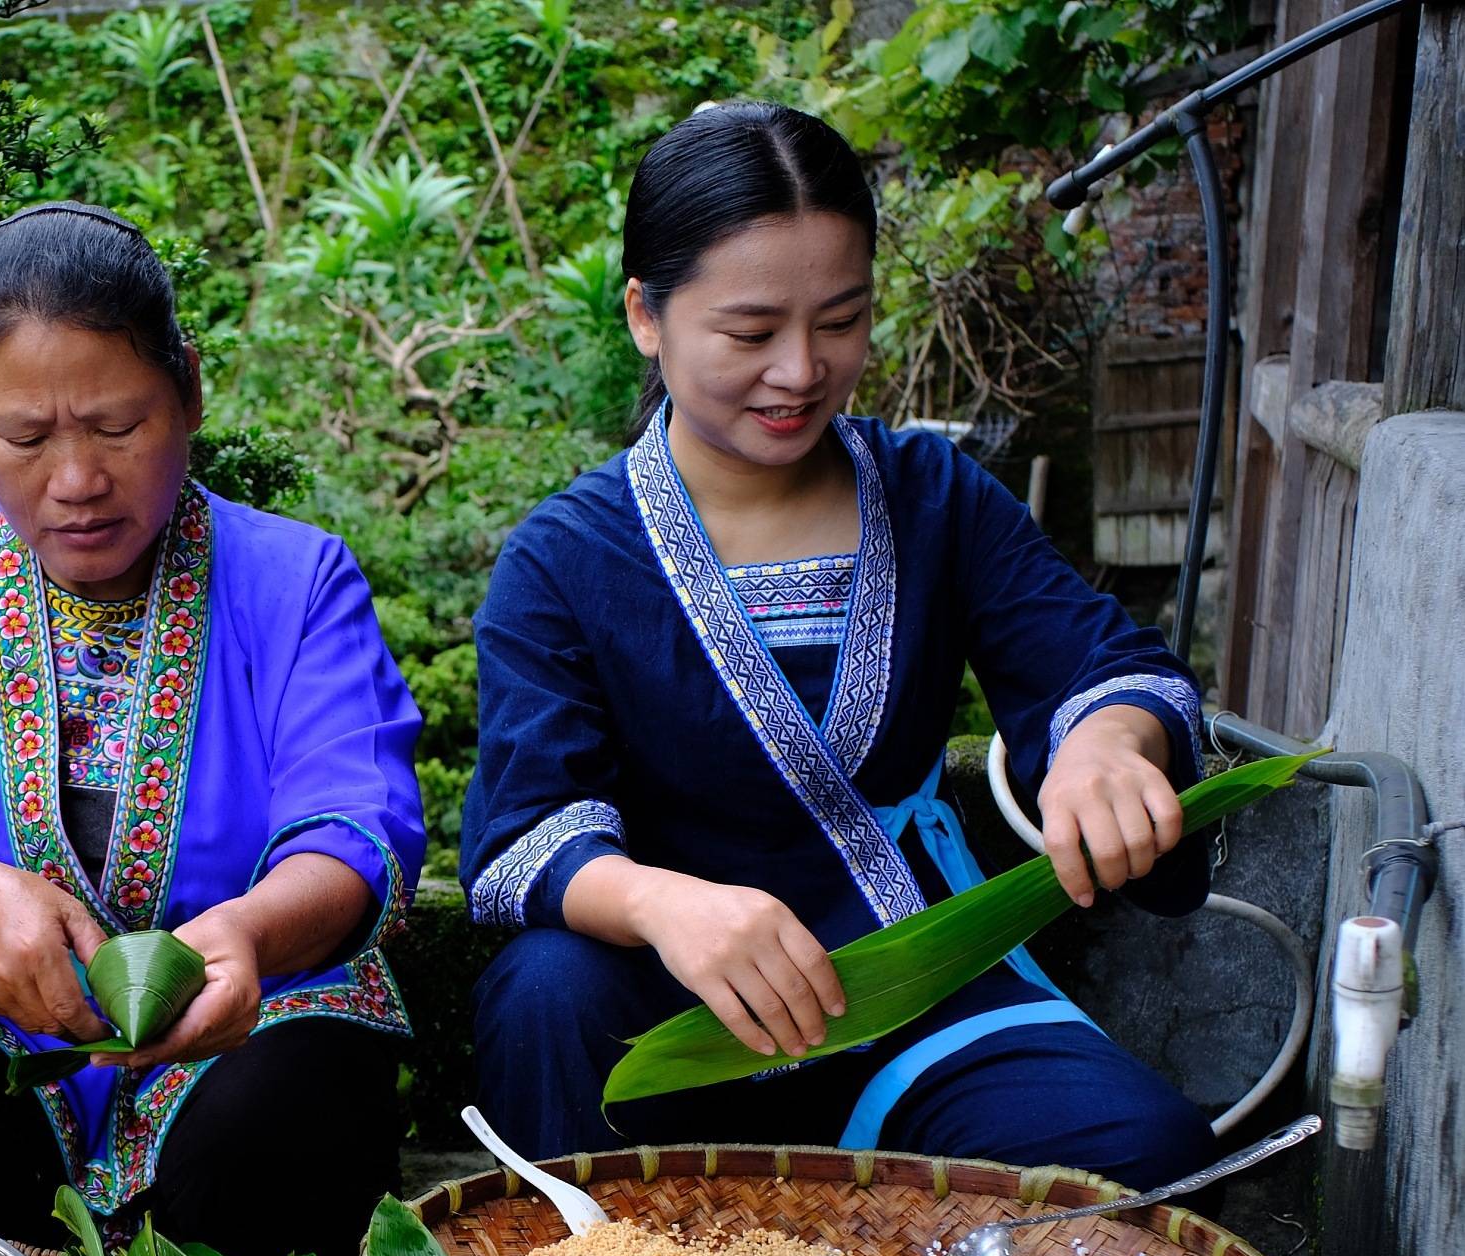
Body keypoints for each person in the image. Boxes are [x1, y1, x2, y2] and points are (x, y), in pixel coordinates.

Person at [462, 102, 1216, 1190]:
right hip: (670, 1004)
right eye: (750, 331)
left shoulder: (936, 497)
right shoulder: (563, 559)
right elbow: (527, 831)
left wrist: (1109, 742)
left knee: (1144, 1155)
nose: (801, 370)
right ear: (645, 315)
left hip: (909, 984)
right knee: (543, 988)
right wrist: (664, 903)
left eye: (842, 319)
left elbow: (1094, 662)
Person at [0, 202, 425, 1256]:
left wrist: (253, 934)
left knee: (288, 1132)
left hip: (254, 1014)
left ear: (190, 390)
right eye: (23, 437)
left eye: (118, 426)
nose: (74, 480)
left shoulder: (296, 582)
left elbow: (359, 822)